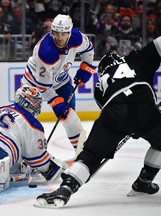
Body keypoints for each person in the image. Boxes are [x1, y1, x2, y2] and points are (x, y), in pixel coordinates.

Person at [35, 34, 161, 207]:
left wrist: (129, 126)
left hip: (112, 113)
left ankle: (65, 189)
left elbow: (116, 111)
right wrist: (139, 125)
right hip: (144, 107)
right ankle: (143, 182)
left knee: (91, 155)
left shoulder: (99, 85)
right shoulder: (134, 59)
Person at [21, 14, 96, 154]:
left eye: (63, 33)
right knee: (25, 118)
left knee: (69, 115)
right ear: (52, 31)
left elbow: (88, 50)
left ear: (69, 32)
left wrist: (86, 66)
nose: (59, 37)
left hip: (60, 81)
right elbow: (43, 85)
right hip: (33, 83)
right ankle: (23, 153)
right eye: (56, 33)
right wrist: (54, 100)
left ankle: (83, 153)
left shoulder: (77, 37)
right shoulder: (46, 51)